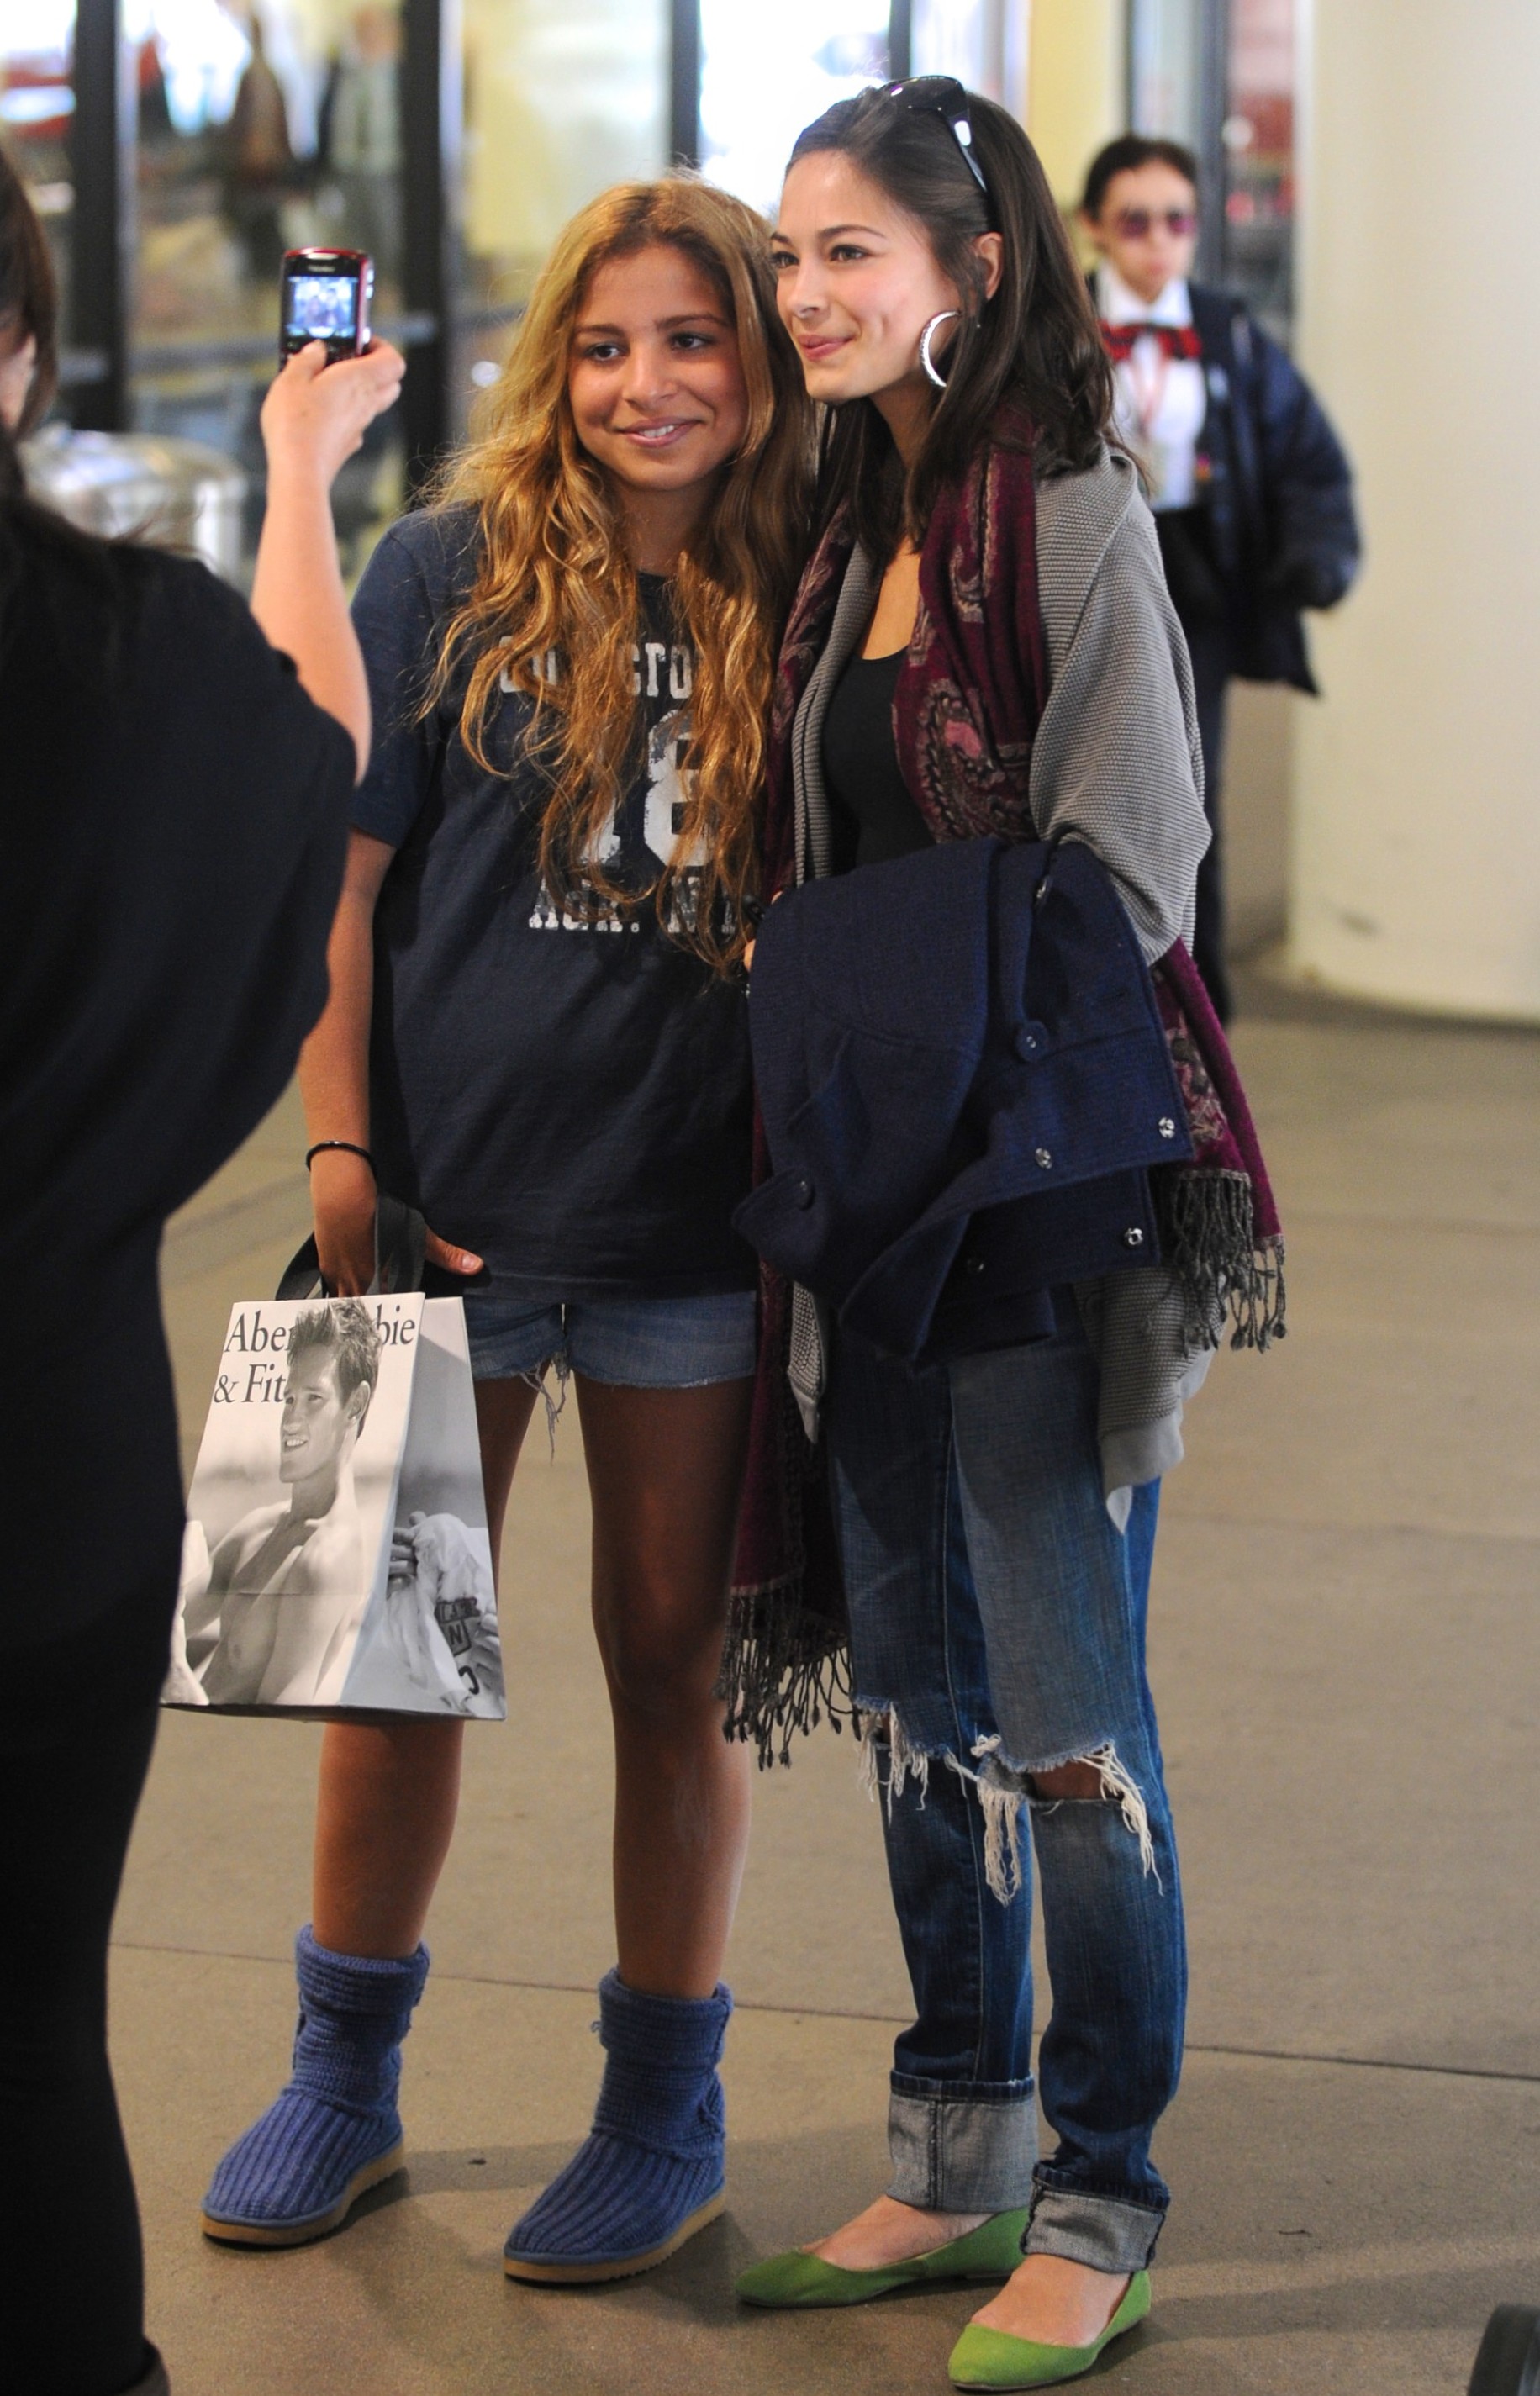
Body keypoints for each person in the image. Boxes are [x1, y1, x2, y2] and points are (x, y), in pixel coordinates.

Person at [200, 177, 812, 2282]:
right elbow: (339, 872)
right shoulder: (442, 568)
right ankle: (340, 2080)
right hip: (438, 1213)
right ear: (555, 362)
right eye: (605, 343)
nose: (647, 383)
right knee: (378, 1673)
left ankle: (660, 2110)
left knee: (672, 1667)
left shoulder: (816, 575)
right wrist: (335, 1149)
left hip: (692, 1234)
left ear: (758, 354)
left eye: (692, 337)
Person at [725, 78, 1251, 2392]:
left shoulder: (1065, 512)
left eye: (847, 250)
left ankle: (1101, 2192)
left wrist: (883, 1016)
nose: (804, 293)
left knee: (1066, 1725)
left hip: (1024, 1211)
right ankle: (955, 2148)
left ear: (973, 266)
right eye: (789, 254)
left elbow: (1133, 868)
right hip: (866, 1216)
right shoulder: (845, 531)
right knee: (916, 1706)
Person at [0, 150, 403, 2396]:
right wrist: (300, 474)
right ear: (22, 360)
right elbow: (308, 753)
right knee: (26, 2020)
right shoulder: (134, 658)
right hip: (51, 1464)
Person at [1079, 132, 1358, 1022]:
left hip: (1195, 580)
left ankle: (1197, 1009)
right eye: (1134, 221)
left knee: (1189, 791)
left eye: (1177, 220)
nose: (1158, 241)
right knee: (1084, 786)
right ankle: (1097, 997)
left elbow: (1305, 452)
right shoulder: (1059, 326)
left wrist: (1314, 559)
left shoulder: (1226, 329)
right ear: (1094, 227)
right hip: (1084, 574)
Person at [176, 1301, 382, 1707]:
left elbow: (278, 1720)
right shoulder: (261, 1528)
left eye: (313, 1399)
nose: (291, 1420)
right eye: (289, 1399)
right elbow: (166, 1623)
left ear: (355, 1405)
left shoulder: (325, 1560)